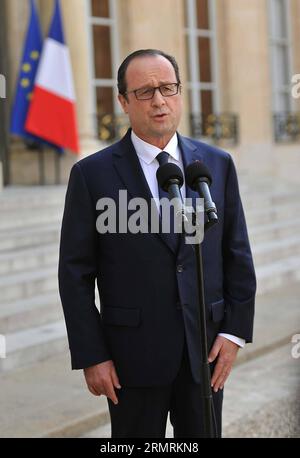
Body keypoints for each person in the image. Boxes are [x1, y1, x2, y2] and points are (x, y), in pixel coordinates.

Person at [58, 49, 256, 438]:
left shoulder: (216, 165)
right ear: (123, 102)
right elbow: (75, 274)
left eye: (168, 88)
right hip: (132, 359)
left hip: (205, 355)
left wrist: (234, 333)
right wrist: (92, 355)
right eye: (145, 91)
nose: (159, 100)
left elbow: (238, 254)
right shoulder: (91, 175)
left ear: (180, 93)